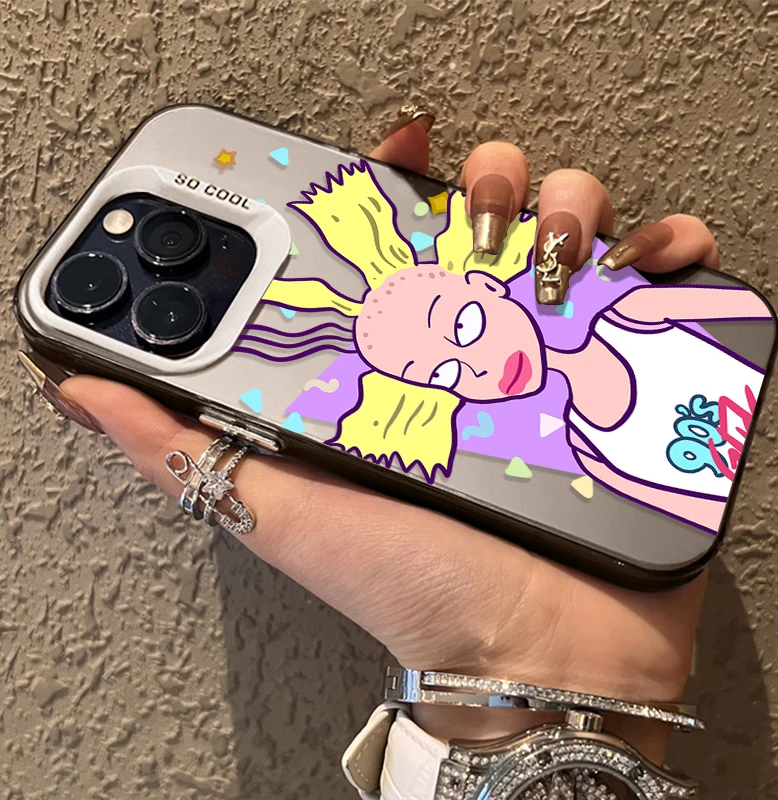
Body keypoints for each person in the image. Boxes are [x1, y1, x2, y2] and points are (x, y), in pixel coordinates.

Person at [56, 113, 725, 794]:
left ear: (486, 283)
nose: (477, 368)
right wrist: (548, 679)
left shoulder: (657, 323)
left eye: (464, 323)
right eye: (442, 376)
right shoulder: (584, 476)